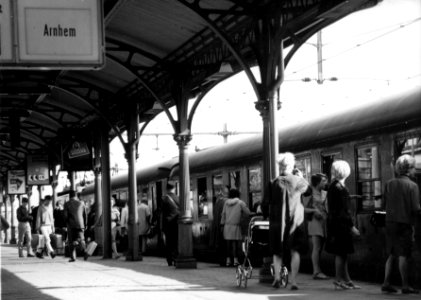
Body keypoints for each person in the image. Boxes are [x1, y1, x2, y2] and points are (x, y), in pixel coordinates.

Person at [261, 152, 309, 290]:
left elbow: (265, 203)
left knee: (277, 251)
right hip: (295, 221)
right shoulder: (298, 181)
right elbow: (309, 191)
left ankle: (277, 278)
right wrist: (301, 177)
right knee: (295, 251)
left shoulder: (273, 182)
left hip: (278, 221)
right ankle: (293, 281)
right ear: (292, 165)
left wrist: (265, 215)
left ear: (280, 166)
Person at [381, 154, 420, 294]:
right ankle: (405, 285)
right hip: (405, 223)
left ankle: (386, 282)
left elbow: (383, 205)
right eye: (414, 168)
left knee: (392, 253)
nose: (415, 171)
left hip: (390, 223)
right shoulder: (413, 186)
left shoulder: (389, 184)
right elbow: (416, 208)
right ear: (409, 169)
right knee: (404, 254)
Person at [325, 160, 360, 290]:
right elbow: (343, 211)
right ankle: (338, 280)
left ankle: (347, 280)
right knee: (341, 253)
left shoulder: (334, 186)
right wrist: (352, 226)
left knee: (342, 253)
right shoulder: (340, 188)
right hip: (341, 225)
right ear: (345, 172)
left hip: (335, 224)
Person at [304, 173, 329, 280]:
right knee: (317, 247)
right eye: (323, 181)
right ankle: (316, 271)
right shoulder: (308, 193)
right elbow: (303, 208)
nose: (325, 182)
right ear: (317, 182)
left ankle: (318, 270)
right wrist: (314, 210)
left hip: (323, 221)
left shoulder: (324, 192)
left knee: (320, 248)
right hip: (314, 221)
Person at [221, 188, 250, 267]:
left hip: (227, 226)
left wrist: (222, 224)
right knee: (235, 245)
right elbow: (247, 212)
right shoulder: (240, 203)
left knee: (228, 245)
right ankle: (235, 261)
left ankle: (228, 261)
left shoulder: (226, 203)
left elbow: (223, 214)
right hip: (236, 226)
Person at [64, 190, 87, 262]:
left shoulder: (67, 204)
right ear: (76, 195)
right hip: (80, 224)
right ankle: (85, 252)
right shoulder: (81, 203)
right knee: (82, 239)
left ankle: (73, 257)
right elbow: (85, 215)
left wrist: (66, 223)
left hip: (71, 225)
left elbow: (65, 216)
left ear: (69, 196)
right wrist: (85, 224)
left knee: (71, 241)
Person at [161, 181, 179, 266]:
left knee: (169, 242)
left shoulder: (164, 199)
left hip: (167, 223)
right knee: (176, 241)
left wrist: (162, 227)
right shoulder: (178, 198)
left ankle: (170, 260)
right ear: (174, 188)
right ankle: (176, 258)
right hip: (177, 223)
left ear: (166, 189)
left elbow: (162, 214)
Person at [211, 185, 230, 266]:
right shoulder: (226, 201)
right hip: (224, 225)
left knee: (220, 244)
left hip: (217, 225)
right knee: (225, 244)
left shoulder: (218, 202)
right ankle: (226, 260)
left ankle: (222, 261)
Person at [138, 190, 151, 254]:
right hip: (144, 224)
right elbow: (148, 216)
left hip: (137, 225)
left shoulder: (137, 207)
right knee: (144, 238)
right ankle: (143, 250)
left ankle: (138, 249)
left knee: (139, 238)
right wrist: (149, 224)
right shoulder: (146, 207)